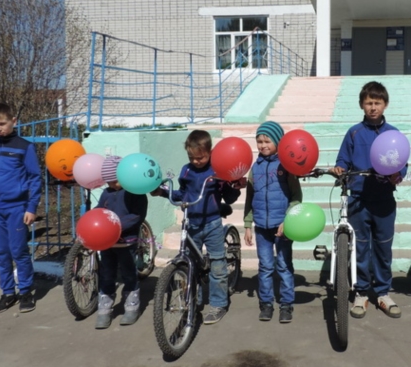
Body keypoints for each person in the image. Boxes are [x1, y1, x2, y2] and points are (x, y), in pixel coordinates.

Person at [329, 81, 407, 319]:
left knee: (384, 248)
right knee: (360, 248)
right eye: (369, 103)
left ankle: (383, 292)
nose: (373, 107)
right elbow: (343, 159)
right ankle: (361, 292)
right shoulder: (354, 132)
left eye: (377, 103)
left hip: (383, 200)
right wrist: (339, 169)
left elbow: (401, 165)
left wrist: (397, 176)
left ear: (385, 104)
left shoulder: (393, 134)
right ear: (362, 105)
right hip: (358, 200)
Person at [153, 129, 243, 325]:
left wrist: (233, 186)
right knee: (192, 263)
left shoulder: (217, 170)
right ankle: (195, 298)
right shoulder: (186, 171)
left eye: (200, 157)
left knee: (218, 266)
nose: (196, 161)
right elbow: (182, 194)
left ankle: (219, 304)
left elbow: (228, 196)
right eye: (192, 157)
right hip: (191, 222)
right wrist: (162, 192)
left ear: (210, 152)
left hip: (211, 222)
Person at [0, 102, 42, 314]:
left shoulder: (24, 147)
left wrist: (31, 207)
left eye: (2, 123)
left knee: (19, 251)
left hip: (17, 208)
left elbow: (35, 178)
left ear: (13, 121)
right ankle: (7, 293)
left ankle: (25, 292)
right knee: (1, 253)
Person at [242, 121, 303, 323]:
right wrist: (248, 225)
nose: (262, 145)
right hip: (261, 227)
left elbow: (296, 196)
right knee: (265, 266)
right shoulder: (255, 168)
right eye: (259, 141)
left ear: (278, 142)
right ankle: (266, 303)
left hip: (282, 226)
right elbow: (250, 197)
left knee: (284, 266)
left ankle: (286, 304)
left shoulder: (286, 166)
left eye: (267, 140)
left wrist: (288, 221)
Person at [93, 155, 149, 329]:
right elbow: (100, 210)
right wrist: (92, 218)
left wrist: (116, 226)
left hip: (126, 241)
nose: (112, 185)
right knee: (107, 273)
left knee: (128, 272)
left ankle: (131, 305)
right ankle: (105, 307)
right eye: (108, 182)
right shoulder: (107, 193)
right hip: (107, 243)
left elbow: (137, 216)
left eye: (114, 181)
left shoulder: (135, 192)